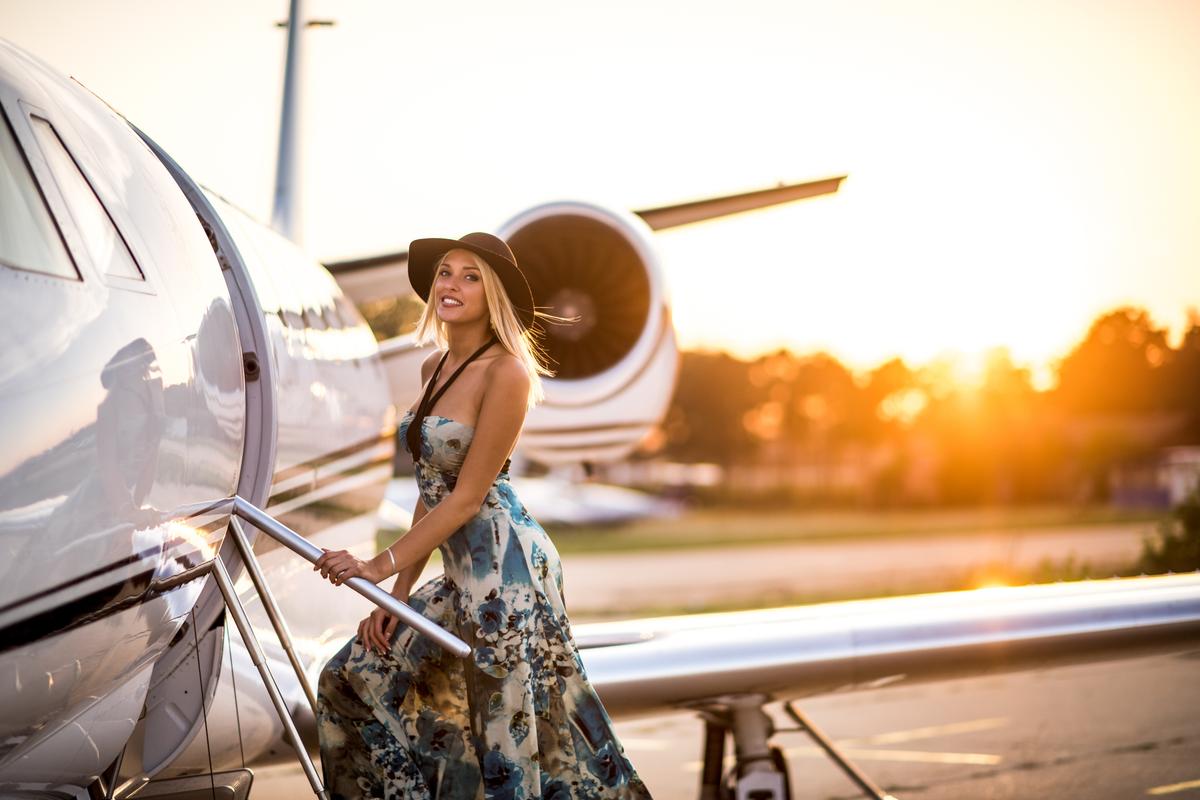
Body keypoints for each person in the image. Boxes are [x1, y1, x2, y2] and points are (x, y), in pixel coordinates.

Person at [313, 232, 653, 799]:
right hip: (459, 574)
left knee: (506, 738)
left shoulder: (508, 373)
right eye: (446, 272)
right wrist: (395, 597)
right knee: (350, 679)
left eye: (471, 277)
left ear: (491, 294)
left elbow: (468, 497)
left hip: (508, 571)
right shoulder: (434, 367)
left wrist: (375, 565)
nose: (452, 284)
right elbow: (430, 487)